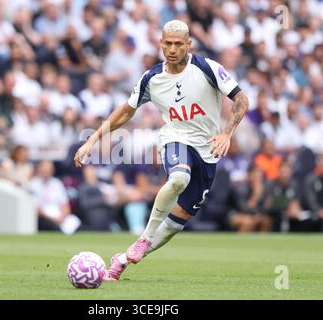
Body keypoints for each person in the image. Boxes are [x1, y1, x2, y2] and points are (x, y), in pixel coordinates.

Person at [74, 20, 249, 280]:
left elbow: (241, 99)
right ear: (160, 43)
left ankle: (122, 259)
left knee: (176, 224)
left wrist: (227, 133)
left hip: (208, 150)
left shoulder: (207, 68)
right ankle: (144, 239)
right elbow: (125, 111)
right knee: (179, 178)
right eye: (168, 43)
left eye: (179, 44)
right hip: (175, 138)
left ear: (188, 44)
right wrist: (93, 139)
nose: (173, 49)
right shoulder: (152, 78)